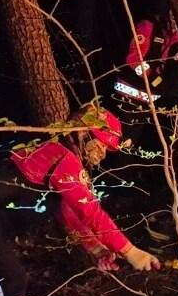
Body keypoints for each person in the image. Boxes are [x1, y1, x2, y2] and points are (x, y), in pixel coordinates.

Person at [9, 104, 162, 272]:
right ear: (84, 133)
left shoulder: (62, 150)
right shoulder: (64, 157)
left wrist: (99, 250)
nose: (102, 153)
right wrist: (130, 251)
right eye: (101, 144)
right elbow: (89, 212)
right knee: (13, 282)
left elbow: (67, 210)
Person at [125, 1, 178, 93]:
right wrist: (152, 78)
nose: (175, 23)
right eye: (173, 17)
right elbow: (133, 59)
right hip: (128, 88)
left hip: (152, 93)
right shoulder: (147, 26)